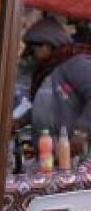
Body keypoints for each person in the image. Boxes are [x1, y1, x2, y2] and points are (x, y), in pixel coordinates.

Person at [19, 17, 91, 154]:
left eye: (34, 50)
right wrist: (22, 120)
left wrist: (82, 132)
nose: (33, 56)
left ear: (47, 45)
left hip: (77, 155)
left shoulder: (75, 63)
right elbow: (48, 105)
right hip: (53, 153)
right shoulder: (49, 70)